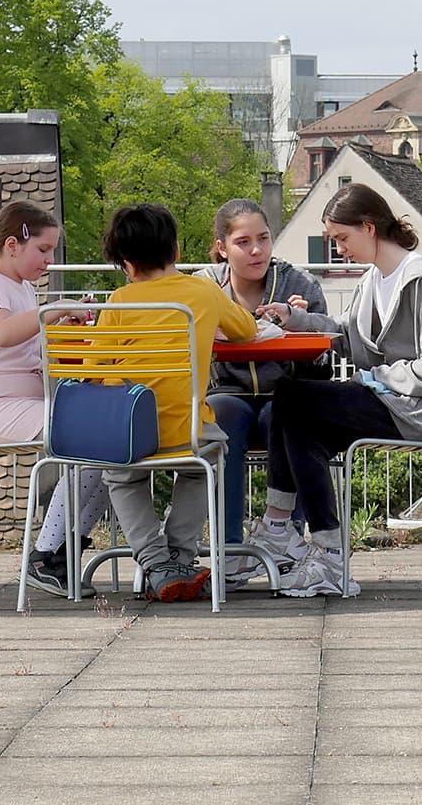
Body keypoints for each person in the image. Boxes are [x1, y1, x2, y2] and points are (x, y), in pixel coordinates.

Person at [241, 183, 422, 599]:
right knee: (297, 419)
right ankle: (324, 552)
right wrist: (295, 318)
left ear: (369, 227)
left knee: (292, 398)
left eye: (341, 238)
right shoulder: (374, 279)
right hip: (394, 402)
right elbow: (349, 338)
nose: (339, 250)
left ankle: (284, 530)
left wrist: (377, 377)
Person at [94, 204, 259, 602]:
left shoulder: (119, 301)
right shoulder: (203, 291)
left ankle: (156, 563)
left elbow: (97, 370)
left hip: (130, 433)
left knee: (121, 476)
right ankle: (180, 559)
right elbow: (246, 330)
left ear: (127, 263)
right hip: (188, 432)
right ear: (177, 251)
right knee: (207, 461)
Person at [0, 200, 110, 599]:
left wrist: (62, 323)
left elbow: (29, 342)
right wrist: (53, 310)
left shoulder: (22, 288)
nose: (50, 260)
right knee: (95, 437)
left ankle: (61, 550)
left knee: (113, 445)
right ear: (12, 246)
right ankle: (44, 556)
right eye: (43, 249)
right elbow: (3, 333)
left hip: (21, 405)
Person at [199, 198, 329, 585]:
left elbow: (324, 360)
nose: (256, 250)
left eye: (264, 239)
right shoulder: (205, 287)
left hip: (283, 393)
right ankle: (229, 551)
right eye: (243, 242)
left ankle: (287, 541)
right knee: (222, 417)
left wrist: (302, 322)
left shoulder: (299, 284)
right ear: (222, 247)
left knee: (289, 415)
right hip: (228, 392)